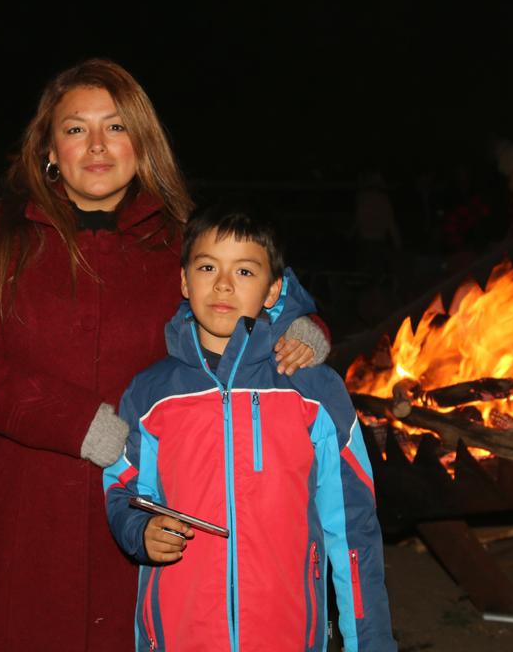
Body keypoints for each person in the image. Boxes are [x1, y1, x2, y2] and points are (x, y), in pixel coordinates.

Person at [0, 59, 329, 650]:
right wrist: (72, 421)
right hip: (27, 504)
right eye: (75, 129)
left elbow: (259, 282)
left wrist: (305, 324)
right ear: (48, 148)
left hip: (156, 501)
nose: (96, 146)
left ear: (142, 143)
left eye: (115, 128)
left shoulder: (180, 237)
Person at [103, 205, 397, 652]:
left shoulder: (313, 391)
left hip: (287, 633)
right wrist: (138, 530)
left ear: (273, 289)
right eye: (207, 267)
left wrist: (371, 643)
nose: (223, 284)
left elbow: (353, 529)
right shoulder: (151, 393)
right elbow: (123, 489)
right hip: (180, 635)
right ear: (184, 281)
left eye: (244, 270)